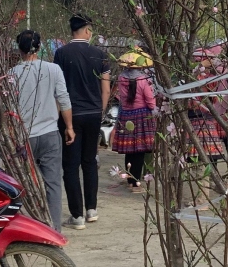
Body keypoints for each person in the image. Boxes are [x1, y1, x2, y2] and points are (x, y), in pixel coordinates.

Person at [9, 30, 75, 233]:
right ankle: (54, 230)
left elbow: (8, 109)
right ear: (39, 48)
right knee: (53, 184)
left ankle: (20, 228)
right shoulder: (53, 69)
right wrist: (70, 127)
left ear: (19, 48)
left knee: (18, 186)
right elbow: (63, 99)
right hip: (49, 134)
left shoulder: (11, 74)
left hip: (23, 137)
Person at [53, 13, 111, 229]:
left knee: (70, 165)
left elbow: (58, 89)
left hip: (71, 114)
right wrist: (100, 111)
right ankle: (92, 210)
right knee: (90, 162)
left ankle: (76, 215)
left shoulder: (61, 53)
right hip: (93, 114)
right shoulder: (100, 54)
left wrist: (60, 116)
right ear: (87, 30)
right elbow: (105, 88)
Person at [112, 51, 156, 193]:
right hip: (142, 116)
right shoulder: (143, 80)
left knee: (129, 150)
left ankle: (130, 181)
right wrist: (154, 109)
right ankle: (136, 184)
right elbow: (149, 100)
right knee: (140, 151)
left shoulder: (120, 78)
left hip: (126, 115)